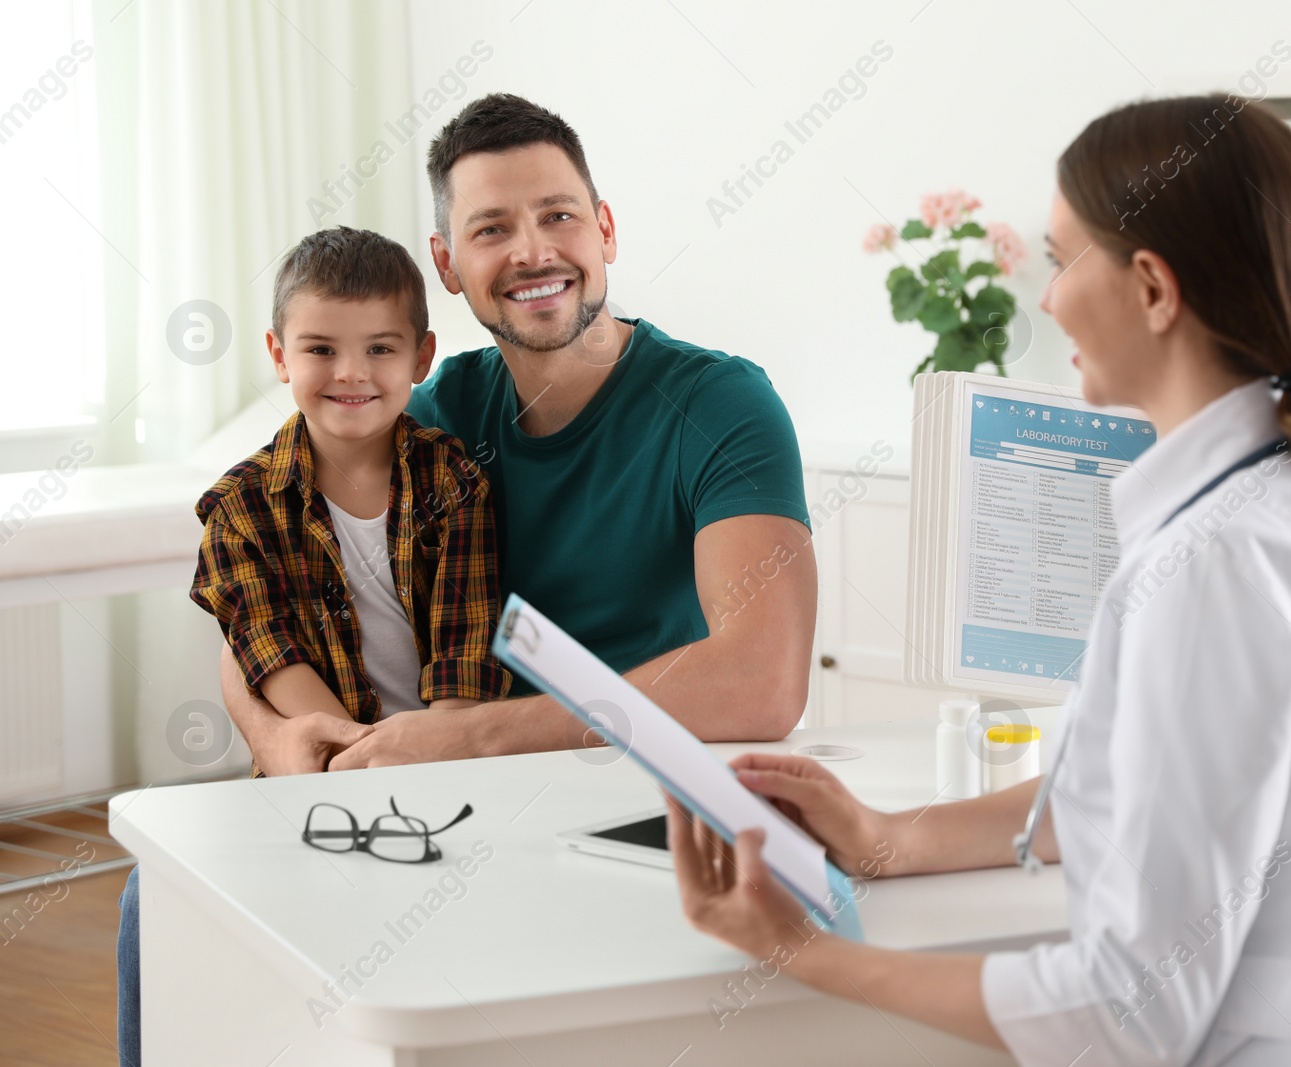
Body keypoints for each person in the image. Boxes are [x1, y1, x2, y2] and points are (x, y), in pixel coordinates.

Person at [667, 94, 1291, 1066]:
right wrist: (887, 836)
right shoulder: (1281, 502)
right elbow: (1126, 795)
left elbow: (1123, 1012)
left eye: (1061, 262)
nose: (1046, 300)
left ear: (1151, 289)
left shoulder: (1214, 565)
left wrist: (799, 950)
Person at [216, 94, 817, 773]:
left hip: (644, 786)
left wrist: (472, 737)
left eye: (558, 216)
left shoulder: (720, 406)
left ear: (606, 230)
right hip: (458, 788)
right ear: (446, 265)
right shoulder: (436, 415)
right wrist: (274, 742)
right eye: (491, 230)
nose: (532, 252)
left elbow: (765, 682)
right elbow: (262, 596)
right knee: (149, 885)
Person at [120, 226, 511, 1064]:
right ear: (277, 351)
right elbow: (272, 656)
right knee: (147, 899)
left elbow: (466, 653)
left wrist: (420, 762)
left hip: (450, 768)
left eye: (379, 348)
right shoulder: (238, 507)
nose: (351, 373)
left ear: (422, 355)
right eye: (321, 348)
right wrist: (358, 770)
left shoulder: (454, 483)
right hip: (312, 776)